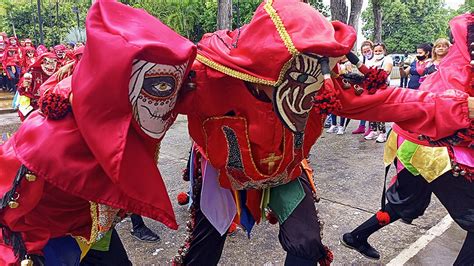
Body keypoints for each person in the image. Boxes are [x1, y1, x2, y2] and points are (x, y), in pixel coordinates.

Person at [172, 1, 473, 265]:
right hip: (222, 172)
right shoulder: (206, 79)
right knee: (204, 252)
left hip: (286, 170)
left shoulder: (320, 90)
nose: (315, 84)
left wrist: (460, 108)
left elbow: (389, 101)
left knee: (306, 243)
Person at [0, 1, 196, 264]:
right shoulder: (50, 138)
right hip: (53, 239)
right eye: (160, 87)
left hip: (95, 229)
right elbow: (14, 205)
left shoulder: (122, 116)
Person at [342, 13, 473, 264]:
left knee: (405, 203)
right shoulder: (458, 70)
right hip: (433, 152)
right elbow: (446, 116)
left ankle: (356, 236)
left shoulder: (453, 64)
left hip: (414, 147)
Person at [364, 42, 393, 143]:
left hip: (382, 87)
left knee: (380, 110)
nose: (378, 52)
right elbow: (366, 72)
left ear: (384, 51)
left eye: (380, 50)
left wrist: (375, 75)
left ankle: (382, 132)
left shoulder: (388, 59)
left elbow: (387, 71)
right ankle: (373, 130)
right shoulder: (369, 60)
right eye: (376, 51)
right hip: (371, 87)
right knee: (371, 109)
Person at [352, 40, 373, 135]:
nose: (366, 53)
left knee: (371, 107)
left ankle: (371, 128)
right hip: (365, 84)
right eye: (364, 51)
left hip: (374, 85)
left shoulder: (375, 59)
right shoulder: (362, 60)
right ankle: (361, 126)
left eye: (368, 50)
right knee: (364, 106)